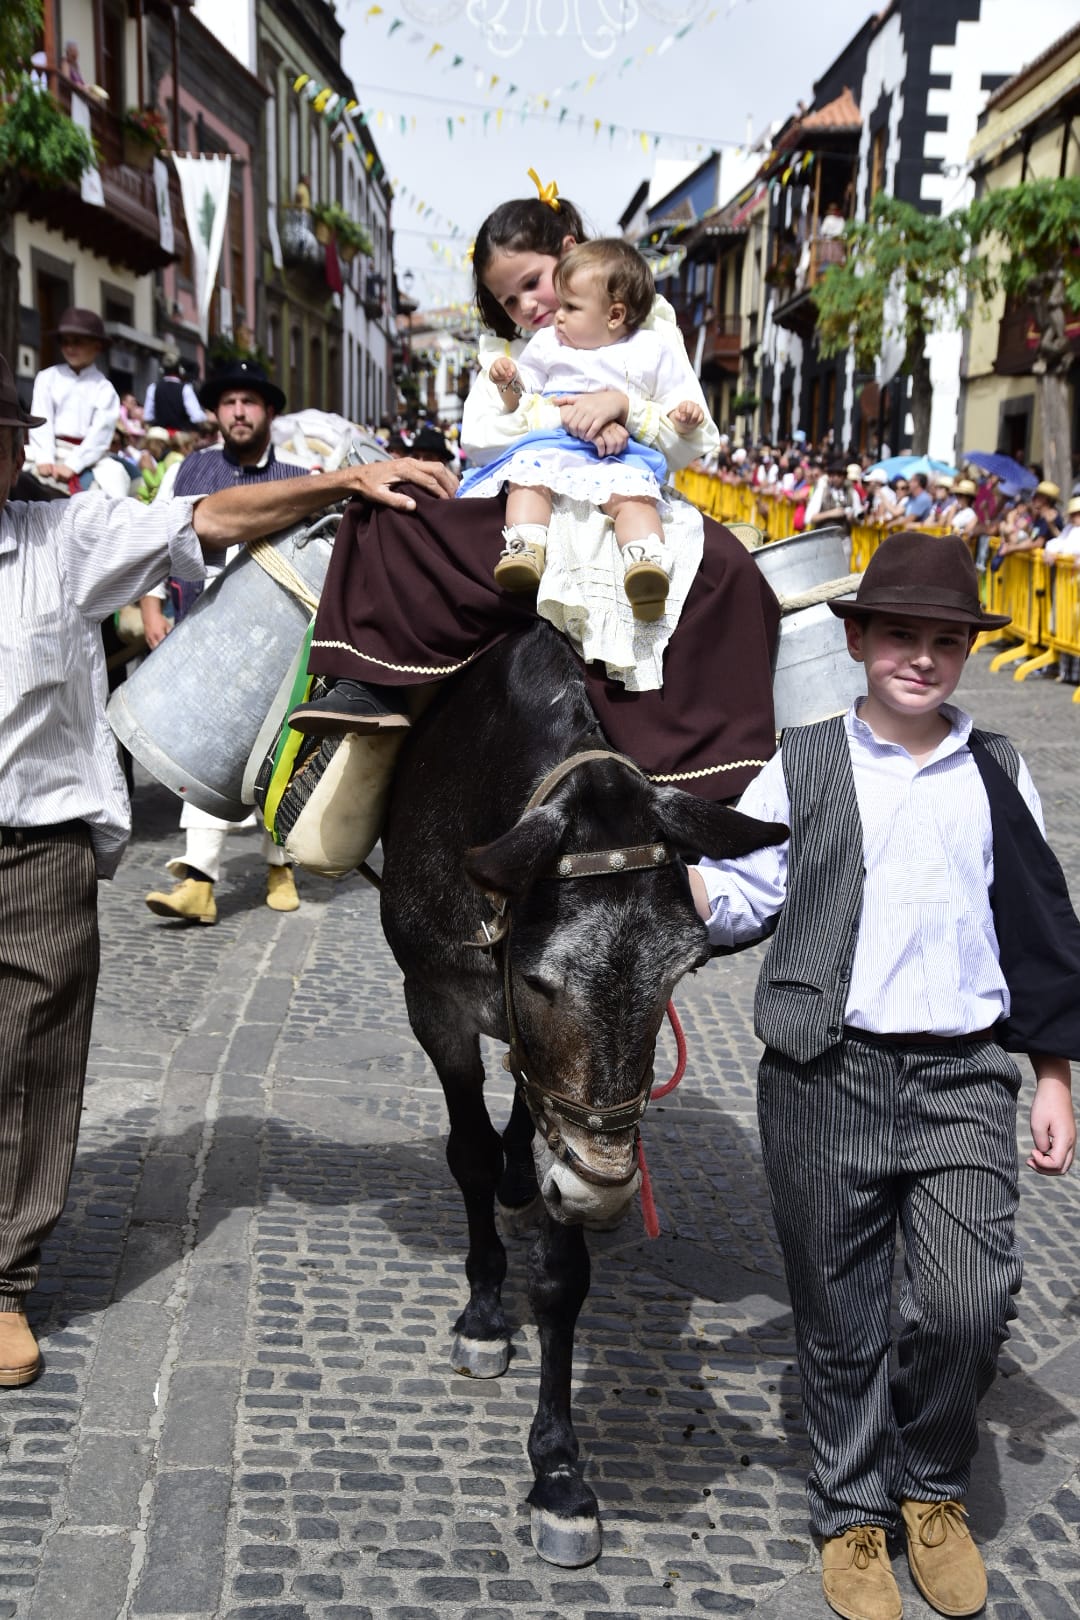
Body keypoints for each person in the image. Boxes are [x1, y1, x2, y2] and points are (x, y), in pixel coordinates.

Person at [0, 351, 457, 1385]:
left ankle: (3, 1282)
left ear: (12, 451)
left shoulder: (65, 534)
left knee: (30, 1062)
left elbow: (207, 521)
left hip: (34, 847)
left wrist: (341, 483)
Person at [688, 530, 1076, 1620]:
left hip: (962, 1077)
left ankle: (932, 1485)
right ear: (854, 638)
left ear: (968, 652)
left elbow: (1039, 928)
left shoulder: (995, 768)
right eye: (898, 634)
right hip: (827, 1074)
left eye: (944, 641)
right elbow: (744, 893)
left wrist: (1052, 1076)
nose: (920, 657)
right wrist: (670, 877)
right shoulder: (803, 761)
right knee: (841, 1311)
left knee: (969, 1300)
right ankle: (854, 1511)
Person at [288, 183, 778, 805]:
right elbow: (483, 436)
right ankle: (376, 686)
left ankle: (714, 773)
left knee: (733, 572)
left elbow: (695, 433)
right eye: (506, 297)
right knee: (387, 515)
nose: (524, 305)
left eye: (533, 282)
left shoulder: (652, 330)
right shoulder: (508, 350)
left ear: (570, 254)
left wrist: (626, 408)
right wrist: (570, 416)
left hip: (626, 494)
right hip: (533, 493)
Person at [142, 360, 309, 925]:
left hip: (278, 640)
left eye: (250, 402)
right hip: (201, 633)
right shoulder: (189, 473)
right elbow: (152, 538)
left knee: (278, 750)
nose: (239, 411)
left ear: (269, 412)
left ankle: (280, 862)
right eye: (229, 402)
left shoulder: (298, 476)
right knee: (205, 748)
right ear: (216, 413)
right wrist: (150, 605)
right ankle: (199, 881)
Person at [466, 238, 705, 621]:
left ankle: (645, 561)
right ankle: (526, 544)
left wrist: (680, 413)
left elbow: (674, 398)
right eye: (509, 300)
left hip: (618, 454)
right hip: (555, 447)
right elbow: (522, 394)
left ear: (614, 316)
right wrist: (509, 381)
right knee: (528, 479)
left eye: (570, 307)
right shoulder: (547, 344)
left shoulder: (649, 346)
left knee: (634, 497)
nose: (555, 315)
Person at [26, 309, 120, 494]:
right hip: (50, 449)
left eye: (78, 342)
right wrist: (45, 457)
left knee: (115, 482)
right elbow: (40, 418)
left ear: (97, 346)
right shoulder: (47, 377)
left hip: (89, 456)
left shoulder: (104, 388)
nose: (70, 348)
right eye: (65, 342)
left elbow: (100, 434)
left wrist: (73, 465)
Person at [144, 347, 207, 433]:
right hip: (180, 439)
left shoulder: (153, 388)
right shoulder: (186, 389)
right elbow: (197, 417)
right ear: (180, 370)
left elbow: (148, 417)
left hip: (160, 439)